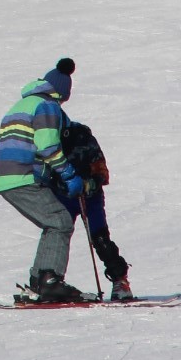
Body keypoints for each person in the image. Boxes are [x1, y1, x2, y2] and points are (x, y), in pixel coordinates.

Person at [0, 57, 86, 302]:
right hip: (22, 174)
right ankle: (50, 280)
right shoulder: (46, 106)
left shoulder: (22, 104)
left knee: (52, 221)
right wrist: (69, 174)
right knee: (60, 220)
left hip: (7, 175)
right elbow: (47, 147)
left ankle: (41, 280)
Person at [61, 110, 133, 300]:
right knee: (57, 233)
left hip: (89, 195)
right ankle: (49, 280)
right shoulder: (47, 137)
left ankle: (120, 279)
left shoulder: (81, 134)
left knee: (99, 237)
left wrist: (92, 182)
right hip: (65, 194)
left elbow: (100, 167)